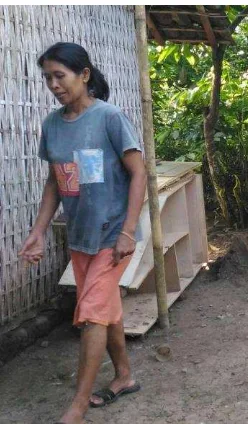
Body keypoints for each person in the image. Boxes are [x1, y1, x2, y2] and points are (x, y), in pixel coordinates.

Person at [18, 42, 146, 424]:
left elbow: (139, 172)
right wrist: (38, 231)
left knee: (91, 315)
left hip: (112, 236)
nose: (53, 84)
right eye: (47, 78)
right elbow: (55, 183)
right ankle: (124, 376)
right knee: (106, 310)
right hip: (80, 235)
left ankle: (78, 404)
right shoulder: (52, 126)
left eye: (60, 76)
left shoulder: (109, 117)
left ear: (84, 75)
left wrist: (127, 231)